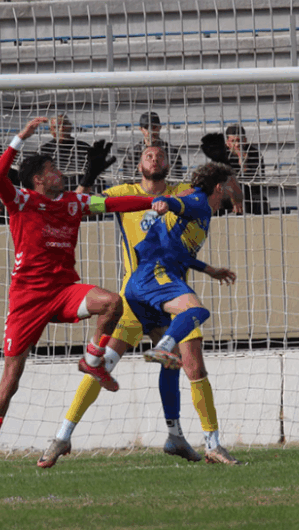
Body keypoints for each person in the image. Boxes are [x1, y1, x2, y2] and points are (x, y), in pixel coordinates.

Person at [0, 116, 166, 484]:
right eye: (51, 169)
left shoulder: (76, 203)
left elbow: (114, 206)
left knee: (112, 302)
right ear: (37, 179)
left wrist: (154, 201)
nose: (59, 172)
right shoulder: (21, 200)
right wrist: (20, 138)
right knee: (10, 380)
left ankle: (93, 361)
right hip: (27, 300)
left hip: (63, 291)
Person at [38, 144, 200, 469]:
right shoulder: (122, 193)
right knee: (102, 366)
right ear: (139, 164)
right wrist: (88, 177)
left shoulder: (180, 193)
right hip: (134, 301)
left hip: (167, 301)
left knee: (177, 362)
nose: (155, 159)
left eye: (160, 155)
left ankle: (176, 436)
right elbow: (77, 206)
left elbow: (206, 197)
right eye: (148, 155)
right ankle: (62, 436)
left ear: (169, 163)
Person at [127, 161, 244, 465]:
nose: (234, 189)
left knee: (177, 365)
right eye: (231, 183)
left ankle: (176, 435)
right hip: (158, 278)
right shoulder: (198, 201)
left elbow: (179, 251)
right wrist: (162, 204)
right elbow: (176, 202)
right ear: (220, 187)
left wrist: (209, 270)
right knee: (196, 311)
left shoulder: (201, 212)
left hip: (154, 280)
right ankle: (213, 443)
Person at [200, 125, 269, 215]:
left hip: (249, 192)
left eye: (239, 141)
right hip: (228, 192)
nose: (237, 145)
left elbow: (257, 181)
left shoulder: (254, 153)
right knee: (214, 201)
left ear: (245, 141)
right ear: (227, 143)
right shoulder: (220, 154)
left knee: (260, 202)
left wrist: (244, 165)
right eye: (233, 141)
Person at [120, 111, 185, 179]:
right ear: (141, 129)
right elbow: (129, 181)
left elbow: (176, 180)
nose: (150, 131)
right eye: (146, 127)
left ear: (160, 127)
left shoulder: (172, 151)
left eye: (154, 127)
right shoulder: (133, 152)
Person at [38, 114, 92, 192]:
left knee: (101, 202)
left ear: (70, 126)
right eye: (57, 127)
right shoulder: (44, 150)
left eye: (64, 124)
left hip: (82, 193)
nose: (61, 129)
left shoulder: (84, 148)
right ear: (51, 130)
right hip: (55, 195)